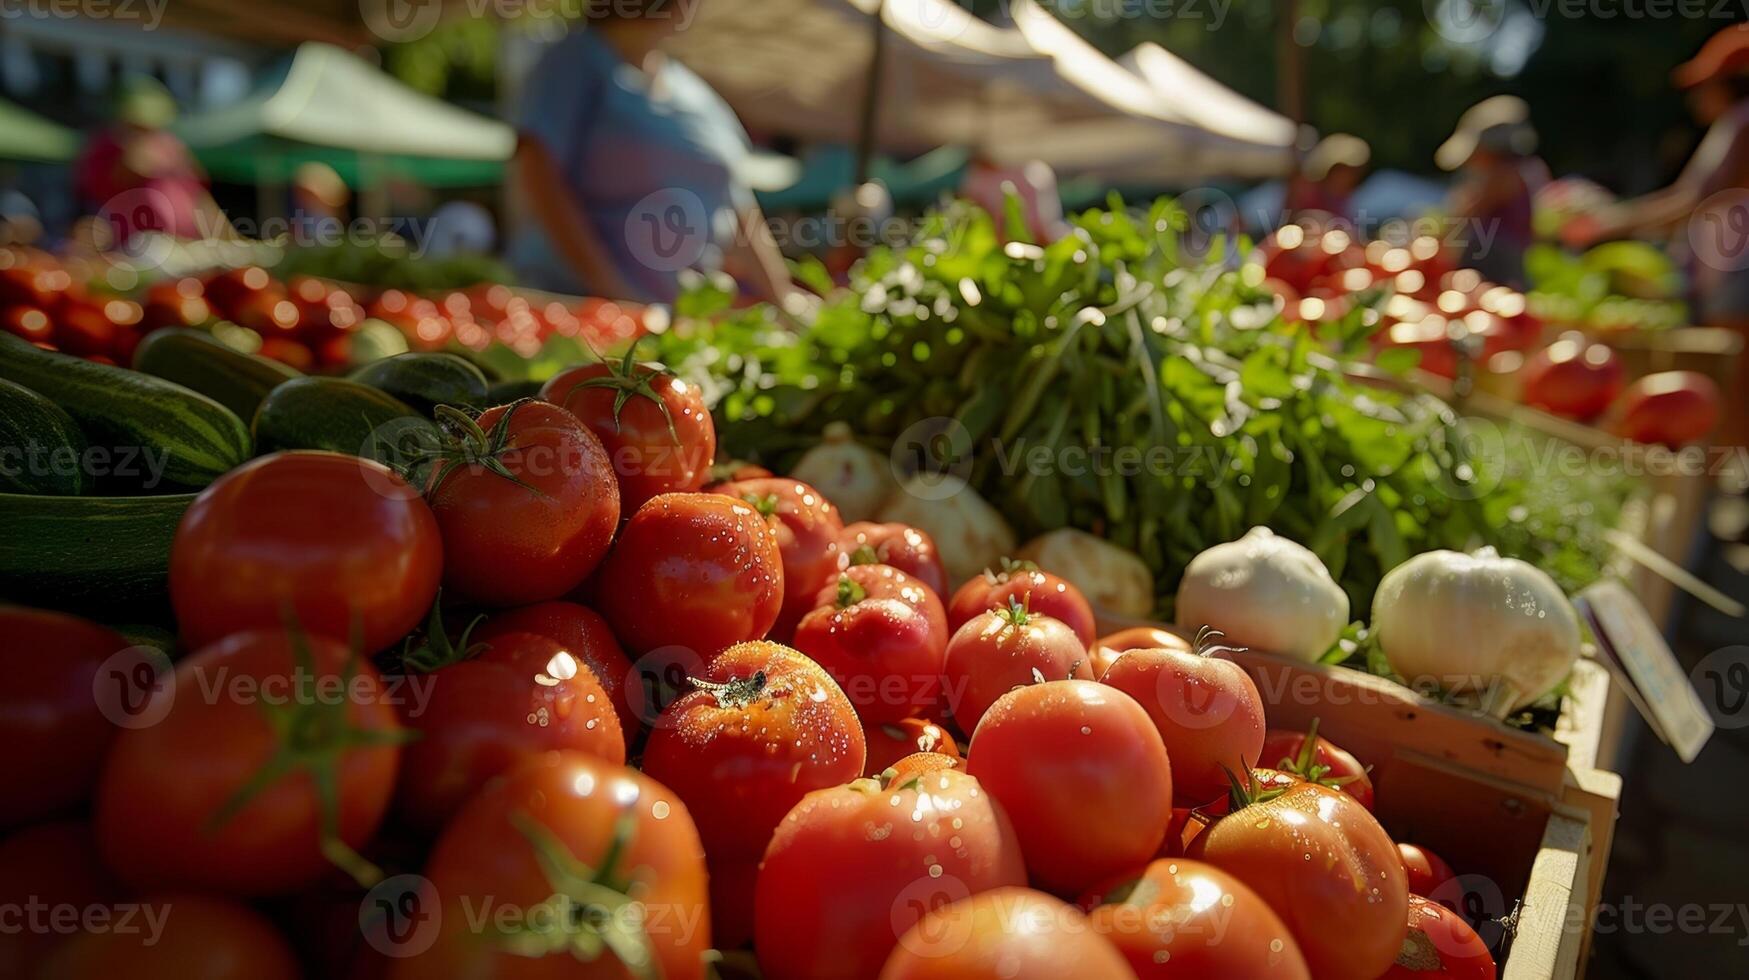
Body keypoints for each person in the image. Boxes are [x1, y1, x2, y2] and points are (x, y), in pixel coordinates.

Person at [507, 5, 797, 307]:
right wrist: (616, 294)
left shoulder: (689, 87)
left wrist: (783, 296)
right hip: (581, 314)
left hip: (670, 320)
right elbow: (538, 173)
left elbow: (735, 201)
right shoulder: (574, 62)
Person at [1562, 24, 1749, 328]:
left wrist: (1611, 222)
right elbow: (1687, 195)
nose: (1696, 97)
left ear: (1734, 83)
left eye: (1707, 85)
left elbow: (1698, 200)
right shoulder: (1731, 124)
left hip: (1738, 279)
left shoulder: (1743, 120)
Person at [73, 76, 231, 249]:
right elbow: (129, 173)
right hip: (135, 250)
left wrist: (229, 240)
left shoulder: (170, 145)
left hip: (187, 247)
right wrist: (135, 146)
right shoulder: (107, 146)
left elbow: (198, 196)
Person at [1439, 96, 1540, 289]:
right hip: (1505, 258)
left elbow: (1467, 213)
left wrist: (1441, 241)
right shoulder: (1515, 173)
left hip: (1494, 263)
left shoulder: (1501, 176)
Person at [1284, 133, 1369, 226]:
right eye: (1343, 170)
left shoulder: (1346, 199)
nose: (1351, 177)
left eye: (1354, 172)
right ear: (1330, 170)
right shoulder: (1304, 191)